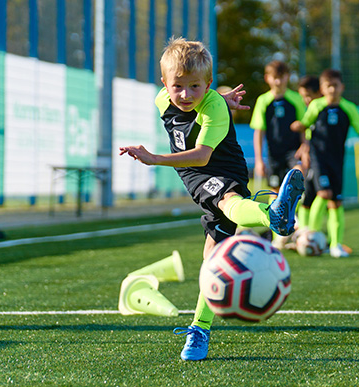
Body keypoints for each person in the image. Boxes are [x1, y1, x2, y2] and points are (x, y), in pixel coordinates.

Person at [119, 38, 304, 361]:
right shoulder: (162, 100)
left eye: (196, 87)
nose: (186, 95)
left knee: (226, 200)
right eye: (179, 86)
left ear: (208, 84)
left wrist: (155, 158)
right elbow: (185, 108)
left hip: (216, 165)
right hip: (193, 174)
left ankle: (271, 216)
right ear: (165, 84)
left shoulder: (213, 106)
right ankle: (200, 331)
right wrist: (220, 95)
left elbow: (203, 156)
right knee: (212, 260)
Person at [291, 69, 359, 258]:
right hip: (318, 158)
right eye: (328, 86)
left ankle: (335, 245)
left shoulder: (349, 108)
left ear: (342, 87)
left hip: (337, 160)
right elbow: (306, 124)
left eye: (335, 85)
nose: (332, 89)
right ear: (322, 89)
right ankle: (309, 235)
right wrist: (299, 126)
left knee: (336, 202)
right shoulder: (316, 106)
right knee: (323, 193)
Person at [250, 60, 307, 248]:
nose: (278, 81)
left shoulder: (295, 99)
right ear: (268, 78)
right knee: (274, 191)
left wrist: (304, 146)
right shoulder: (263, 101)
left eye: (282, 77)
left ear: (287, 77)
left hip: (293, 151)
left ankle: (294, 219)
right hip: (274, 155)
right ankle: (277, 232)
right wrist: (259, 160)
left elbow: (303, 127)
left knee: (298, 176)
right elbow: (259, 132)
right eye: (275, 77)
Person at [294, 75, 321, 234]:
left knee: (323, 195)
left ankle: (314, 232)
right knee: (306, 197)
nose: (306, 100)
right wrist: (305, 146)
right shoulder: (311, 109)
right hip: (312, 159)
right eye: (303, 96)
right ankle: (303, 233)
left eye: (308, 96)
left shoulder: (322, 108)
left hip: (322, 160)